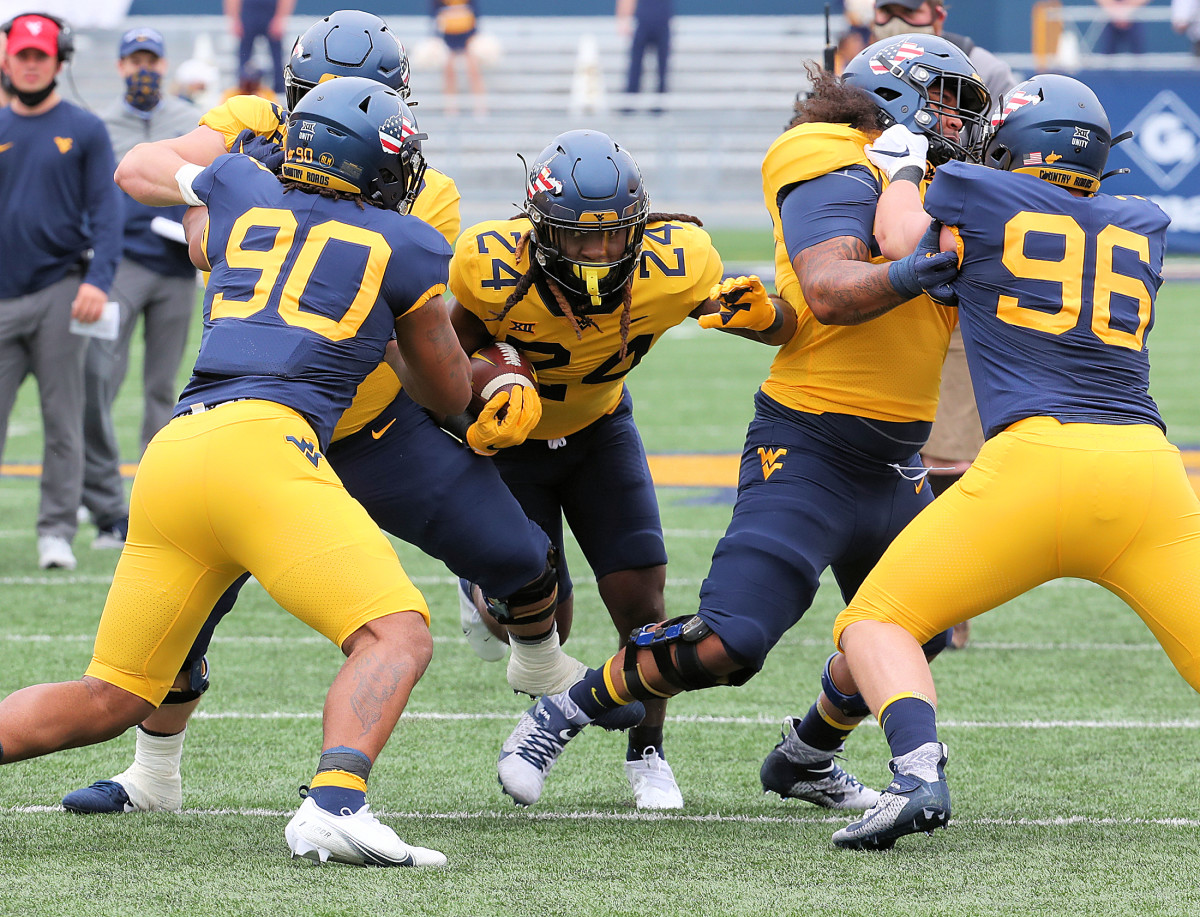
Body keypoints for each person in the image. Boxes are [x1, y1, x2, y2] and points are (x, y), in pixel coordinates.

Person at [59, 10, 635, 819]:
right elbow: (146, 173)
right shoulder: (251, 134)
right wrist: (214, 202)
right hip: (262, 421)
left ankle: (537, 664)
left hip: (364, 424)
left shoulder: (415, 193)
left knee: (520, 554)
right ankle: (156, 771)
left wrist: (485, 383)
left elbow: (408, 335)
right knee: (193, 612)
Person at [493, 36, 990, 811]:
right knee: (732, 642)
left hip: (896, 457)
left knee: (917, 631)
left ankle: (808, 753)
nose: (959, 118)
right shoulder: (825, 152)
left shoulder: (922, 173)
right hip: (812, 444)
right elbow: (826, 288)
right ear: (897, 94)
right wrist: (907, 269)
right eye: (949, 99)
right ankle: (568, 707)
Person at [0, 76, 471, 868]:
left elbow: (164, 178)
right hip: (268, 447)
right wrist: (406, 336)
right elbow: (449, 391)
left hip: (178, 447)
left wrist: (209, 182)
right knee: (397, 633)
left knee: (112, 695)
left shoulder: (240, 187)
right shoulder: (409, 243)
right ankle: (335, 802)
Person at [828, 73, 1191, 851]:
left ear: (1016, 147)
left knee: (875, 619)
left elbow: (901, 241)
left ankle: (918, 773)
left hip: (1034, 464)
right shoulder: (1145, 222)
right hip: (1148, 470)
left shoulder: (975, 193)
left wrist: (898, 168)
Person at [874, 0, 1018, 650]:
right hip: (881, 270)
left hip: (955, 255)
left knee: (952, 448)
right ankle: (900, 585)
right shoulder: (863, 66)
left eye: (907, 7)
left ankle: (947, 594)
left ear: (937, 11)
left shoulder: (983, 65)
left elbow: (1017, 146)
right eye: (886, 7)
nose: (894, 17)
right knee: (886, 442)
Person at [0, 12, 123, 570]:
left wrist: (97, 280)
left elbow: (107, 213)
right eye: (21, 55)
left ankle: (55, 531)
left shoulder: (86, 129)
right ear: (7, 59)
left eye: (39, 56)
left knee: (63, 418)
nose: (30, 65)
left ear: (58, 60)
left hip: (60, 290)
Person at [82, 27, 201, 551]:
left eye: (152, 59)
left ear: (165, 63)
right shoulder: (101, 125)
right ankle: (106, 506)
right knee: (97, 376)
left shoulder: (189, 119)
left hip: (177, 267)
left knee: (163, 391)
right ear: (120, 66)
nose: (144, 69)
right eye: (136, 61)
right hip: (121, 264)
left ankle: (151, 508)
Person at [224, 0, 293, 96]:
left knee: (277, 58)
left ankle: (280, 91)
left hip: (271, 13)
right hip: (248, 13)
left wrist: (280, 18)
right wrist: (234, 19)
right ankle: (242, 90)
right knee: (244, 57)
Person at [431, 0, 485, 116]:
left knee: (473, 69)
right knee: (449, 71)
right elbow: (435, 13)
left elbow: (475, 11)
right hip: (447, 35)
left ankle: (480, 107)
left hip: (467, 33)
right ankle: (451, 108)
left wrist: (475, 34)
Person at [617, 0, 673, 98]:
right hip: (644, 20)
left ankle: (661, 99)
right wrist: (623, 18)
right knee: (636, 64)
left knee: (662, 66)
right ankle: (631, 96)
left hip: (662, 20)